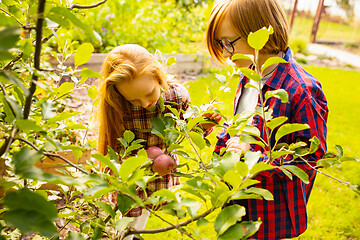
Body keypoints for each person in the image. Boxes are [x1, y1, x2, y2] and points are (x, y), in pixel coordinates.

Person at [206, 0, 328, 239]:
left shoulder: (301, 91)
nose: (224, 53)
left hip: (271, 216)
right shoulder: (249, 77)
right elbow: (242, 132)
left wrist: (254, 158)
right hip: (240, 201)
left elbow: (309, 159)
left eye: (228, 43)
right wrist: (222, 141)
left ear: (260, 33)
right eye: (220, 44)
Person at [95, 44, 221, 239]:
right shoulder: (119, 106)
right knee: (129, 217)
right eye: (134, 100)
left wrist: (203, 124)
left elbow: (187, 126)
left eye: (149, 93)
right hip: (131, 172)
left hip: (161, 172)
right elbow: (113, 144)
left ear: (158, 76)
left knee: (143, 217)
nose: (144, 104)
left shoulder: (175, 97)